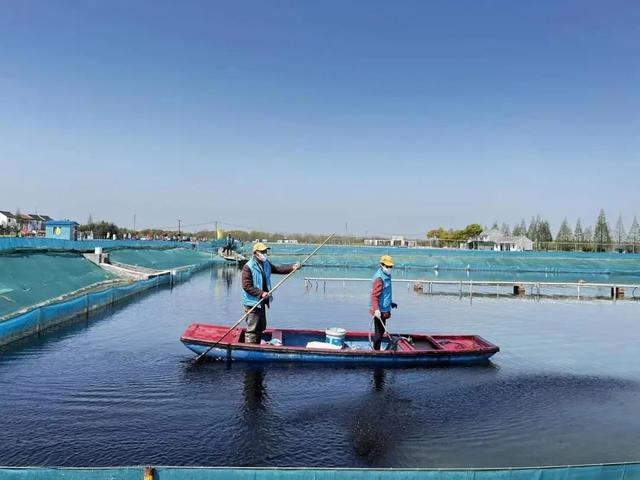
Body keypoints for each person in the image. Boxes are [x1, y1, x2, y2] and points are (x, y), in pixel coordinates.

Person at [241, 242, 301, 344]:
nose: (265, 253)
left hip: (262, 302)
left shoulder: (266, 264)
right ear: (255, 253)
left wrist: (292, 267)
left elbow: (278, 269)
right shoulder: (248, 267)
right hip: (252, 303)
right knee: (253, 329)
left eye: (265, 251)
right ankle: (250, 348)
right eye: (262, 251)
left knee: (260, 327)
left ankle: (257, 346)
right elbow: (247, 286)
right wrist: (261, 293)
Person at [369, 255, 398, 350]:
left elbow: (385, 293)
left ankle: (377, 349)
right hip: (379, 311)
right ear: (381, 265)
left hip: (384, 309)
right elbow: (374, 296)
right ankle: (375, 352)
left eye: (391, 266)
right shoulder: (379, 278)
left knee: (381, 332)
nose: (389, 268)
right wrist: (376, 310)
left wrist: (390, 303)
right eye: (387, 266)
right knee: (378, 334)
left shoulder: (386, 275)